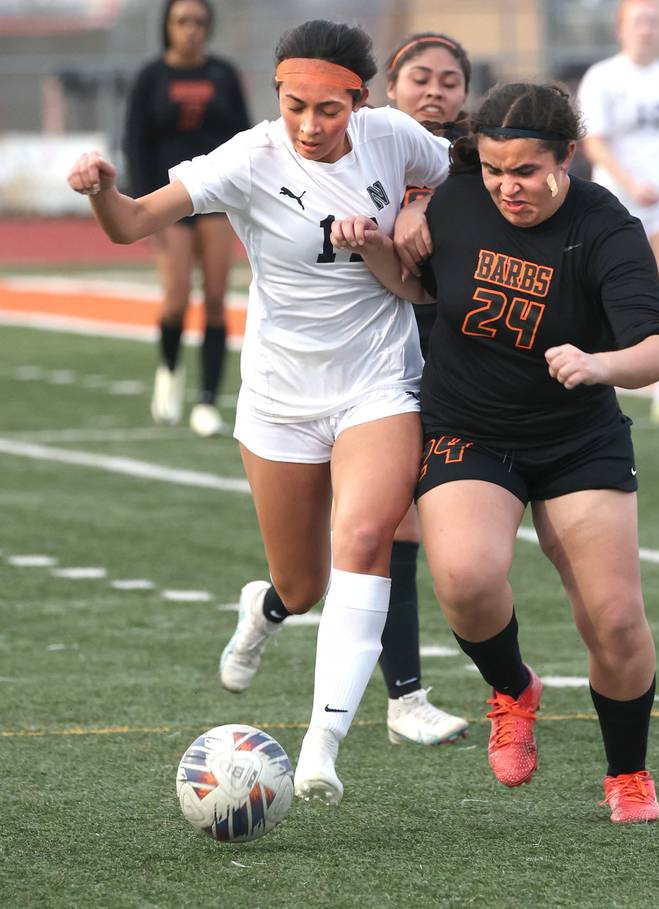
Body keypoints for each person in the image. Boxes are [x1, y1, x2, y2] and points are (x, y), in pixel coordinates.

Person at [69, 19, 452, 805]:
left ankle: (322, 743)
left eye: (329, 110)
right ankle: (266, 605)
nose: (310, 125)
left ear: (362, 101)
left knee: (367, 534)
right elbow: (134, 223)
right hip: (280, 395)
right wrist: (104, 189)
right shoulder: (247, 157)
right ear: (276, 94)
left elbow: (450, 166)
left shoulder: (394, 136)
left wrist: (415, 204)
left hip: (378, 380)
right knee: (303, 583)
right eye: (294, 105)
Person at [354, 80, 659, 823]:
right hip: (471, 425)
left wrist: (600, 364)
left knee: (616, 618)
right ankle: (512, 687)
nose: (507, 187)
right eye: (495, 169)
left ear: (566, 155)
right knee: (465, 578)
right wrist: (382, 241)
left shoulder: (605, 225)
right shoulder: (455, 196)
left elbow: (658, 348)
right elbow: (417, 290)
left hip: (577, 438)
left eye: (525, 171)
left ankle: (627, 773)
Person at [361, 32, 474, 747]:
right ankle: (405, 699)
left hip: (465, 355)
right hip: (373, 355)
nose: (435, 91)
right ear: (390, 89)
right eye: (420, 79)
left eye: (451, 81)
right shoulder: (360, 149)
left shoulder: (482, 161)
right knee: (388, 526)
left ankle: (275, 604)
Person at [123, 0, 250, 436]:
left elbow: (243, 137)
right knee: (176, 299)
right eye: (181, 21)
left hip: (215, 199)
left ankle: (208, 402)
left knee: (216, 298)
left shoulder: (223, 75)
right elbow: (135, 139)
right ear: (167, 26)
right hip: (169, 199)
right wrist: (144, 204)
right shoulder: (151, 77)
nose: (190, 29)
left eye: (198, 21)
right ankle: (169, 371)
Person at [577, 0, 659, 426]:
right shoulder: (603, 77)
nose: (646, 29)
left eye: (653, 21)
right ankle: (601, 377)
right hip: (618, 198)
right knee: (601, 289)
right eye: (638, 21)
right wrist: (631, 185)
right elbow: (596, 143)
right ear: (620, 28)